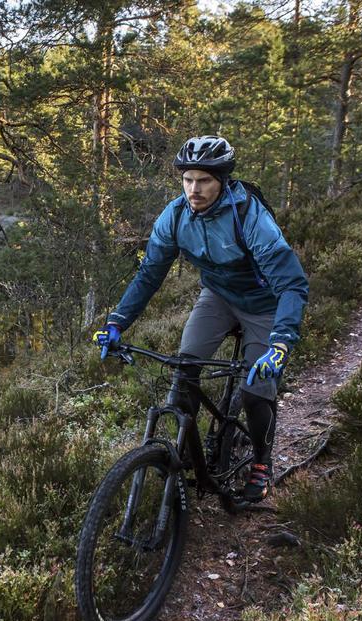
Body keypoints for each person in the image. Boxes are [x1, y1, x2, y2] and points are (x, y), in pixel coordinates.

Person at [95, 135, 308, 502]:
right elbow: (149, 275)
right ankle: (183, 454)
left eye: (204, 180)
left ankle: (261, 461)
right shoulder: (175, 216)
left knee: (256, 389)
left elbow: (291, 284)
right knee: (183, 369)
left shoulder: (249, 217)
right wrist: (117, 322)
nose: (194, 189)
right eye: (188, 179)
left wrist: (280, 343)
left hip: (264, 304)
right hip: (218, 296)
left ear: (222, 180)